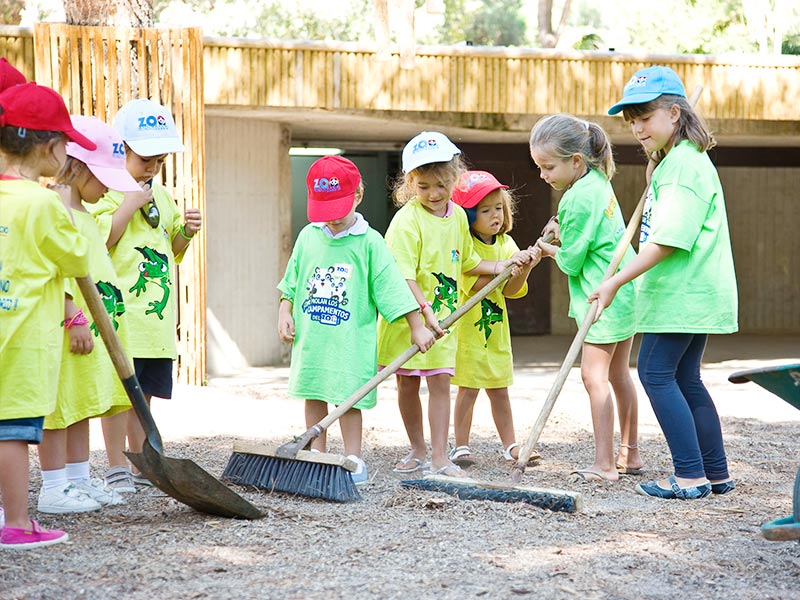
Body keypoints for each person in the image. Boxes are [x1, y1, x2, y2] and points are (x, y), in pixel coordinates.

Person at [589, 65, 738, 499]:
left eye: (645, 118)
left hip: (682, 293)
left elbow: (668, 241)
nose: (637, 129)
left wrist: (614, 281)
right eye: (632, 120)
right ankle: (716, 473)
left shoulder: (683, 167)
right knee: (686, 378)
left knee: (656, 374)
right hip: (690, 294)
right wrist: (655, 176)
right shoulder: (681, 162)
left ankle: (690, 476)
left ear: (675, 114)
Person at [377, 132, 533, 477]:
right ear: (409, 183)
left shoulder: (459, 218)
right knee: (407, 383)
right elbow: (403, 277)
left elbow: (467, 262)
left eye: (442, 184)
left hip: (445, 320)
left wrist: (502, 266)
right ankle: (418, 449)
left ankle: (439, 457)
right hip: (407, 319)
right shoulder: (407, 221)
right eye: (424, 186)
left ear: (454, 177)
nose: (434, 194)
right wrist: (421, 316)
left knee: (440, 383)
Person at [278, 156, 436, 486]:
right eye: (324, 211)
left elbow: (391, 286)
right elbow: (292, 279)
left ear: (358, 197)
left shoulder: (369, 242)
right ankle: (316, 456)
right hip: (313, 338)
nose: (331, 220)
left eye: (338, 210)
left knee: (349, 398)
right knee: (314, 392)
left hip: (350, 341)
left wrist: (416, 325)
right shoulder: (309, 236)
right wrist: (285, 310)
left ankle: (352, 458)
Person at [89, 98, 202, 491]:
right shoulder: (105, 193)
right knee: (120, 396)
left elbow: (171, 250)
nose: (153, 167)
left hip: (154, 322)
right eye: (145, 158)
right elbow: (101, 241)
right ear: (120, 150)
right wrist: (129, 203)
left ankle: (143, 467)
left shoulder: (163, 195)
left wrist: (186, 232)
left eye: (160, 159)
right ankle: (117, 468)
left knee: (145, 396)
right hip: (121, 317)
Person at [0, 82, 94, 549]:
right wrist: (66, 204)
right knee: (11, 431)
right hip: (23, 339)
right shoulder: (41, 203)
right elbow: (77, 259)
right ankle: (16, 522)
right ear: (51, 147)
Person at [36, 116, 142, 514]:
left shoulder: (84, 214)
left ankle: (78, 479)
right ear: (77, 167)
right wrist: (72, 315)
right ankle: (53, 485)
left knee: (79, 404)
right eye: (103, 179)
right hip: (67, 329)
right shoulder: (53, 208)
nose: (108, 189)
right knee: (60, 406)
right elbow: (51, 267)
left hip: (91, 330)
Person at [530, 114, 642, 483]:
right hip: (623, 293)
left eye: (548, 167)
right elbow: (588, 235)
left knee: (594, 378)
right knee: (619, 375)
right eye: (539, 167)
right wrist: (561, 231)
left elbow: (572, 262)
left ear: (576, 161)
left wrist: (547, 247)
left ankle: (604, 464)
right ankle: (631, 453)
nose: (543, 175)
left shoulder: (576, 199)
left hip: (600, 297)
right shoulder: (597, 182)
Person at [449, 171, 541, 468]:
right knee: (468, 389)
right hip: (468, 333)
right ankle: (460, 445)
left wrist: (525, 267)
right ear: (467, 215)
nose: (495, 216)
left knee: (500, 389)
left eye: (498, 208)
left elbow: (512, 291)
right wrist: (502, 267)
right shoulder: (463, 246)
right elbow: (473, 283)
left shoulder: (506, 243)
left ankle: (510, 445)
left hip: (495, 333)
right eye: (484, 210)